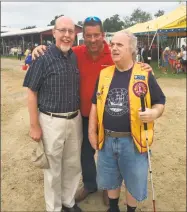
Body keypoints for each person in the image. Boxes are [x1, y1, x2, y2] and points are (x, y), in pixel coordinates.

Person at [32, 16, 153, 206]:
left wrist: (145, 67)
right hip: (84, 115)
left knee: (110, 153)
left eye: (97, 35)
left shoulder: (113, 52)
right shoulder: (75, 53)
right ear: (83, 36)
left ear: (103, 35)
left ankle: (109, 187)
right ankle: (90, 184)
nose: (93, 39)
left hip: (110, 116)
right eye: (88, 35)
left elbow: (131, 65)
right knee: (84, 153)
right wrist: (38, 49)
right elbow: (56, 51)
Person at [89, 31, 166, 212]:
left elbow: (160, 101)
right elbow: (94, 104)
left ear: (132, 49)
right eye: (112, 44)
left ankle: (130, 210)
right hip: (107, 140)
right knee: (110, 178)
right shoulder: (104, 74)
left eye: (119, 45)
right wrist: (92, 132)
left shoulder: (145, 74)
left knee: (133, 180)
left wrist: (154, 113)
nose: (113, 48)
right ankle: (113, 208)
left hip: (134, 142)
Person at [23, 16, 83, 212]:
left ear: (75, 34)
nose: (66, 35)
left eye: (70, 31)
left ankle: (68, 202)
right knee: (52, 170)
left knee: (73, 165)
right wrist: (34, 125)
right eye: (62, 31)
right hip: (50, 121)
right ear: (54, 32)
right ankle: (54, 208)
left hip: (75, 119)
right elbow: (31, 91)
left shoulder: (74, 56)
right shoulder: (43, 57)